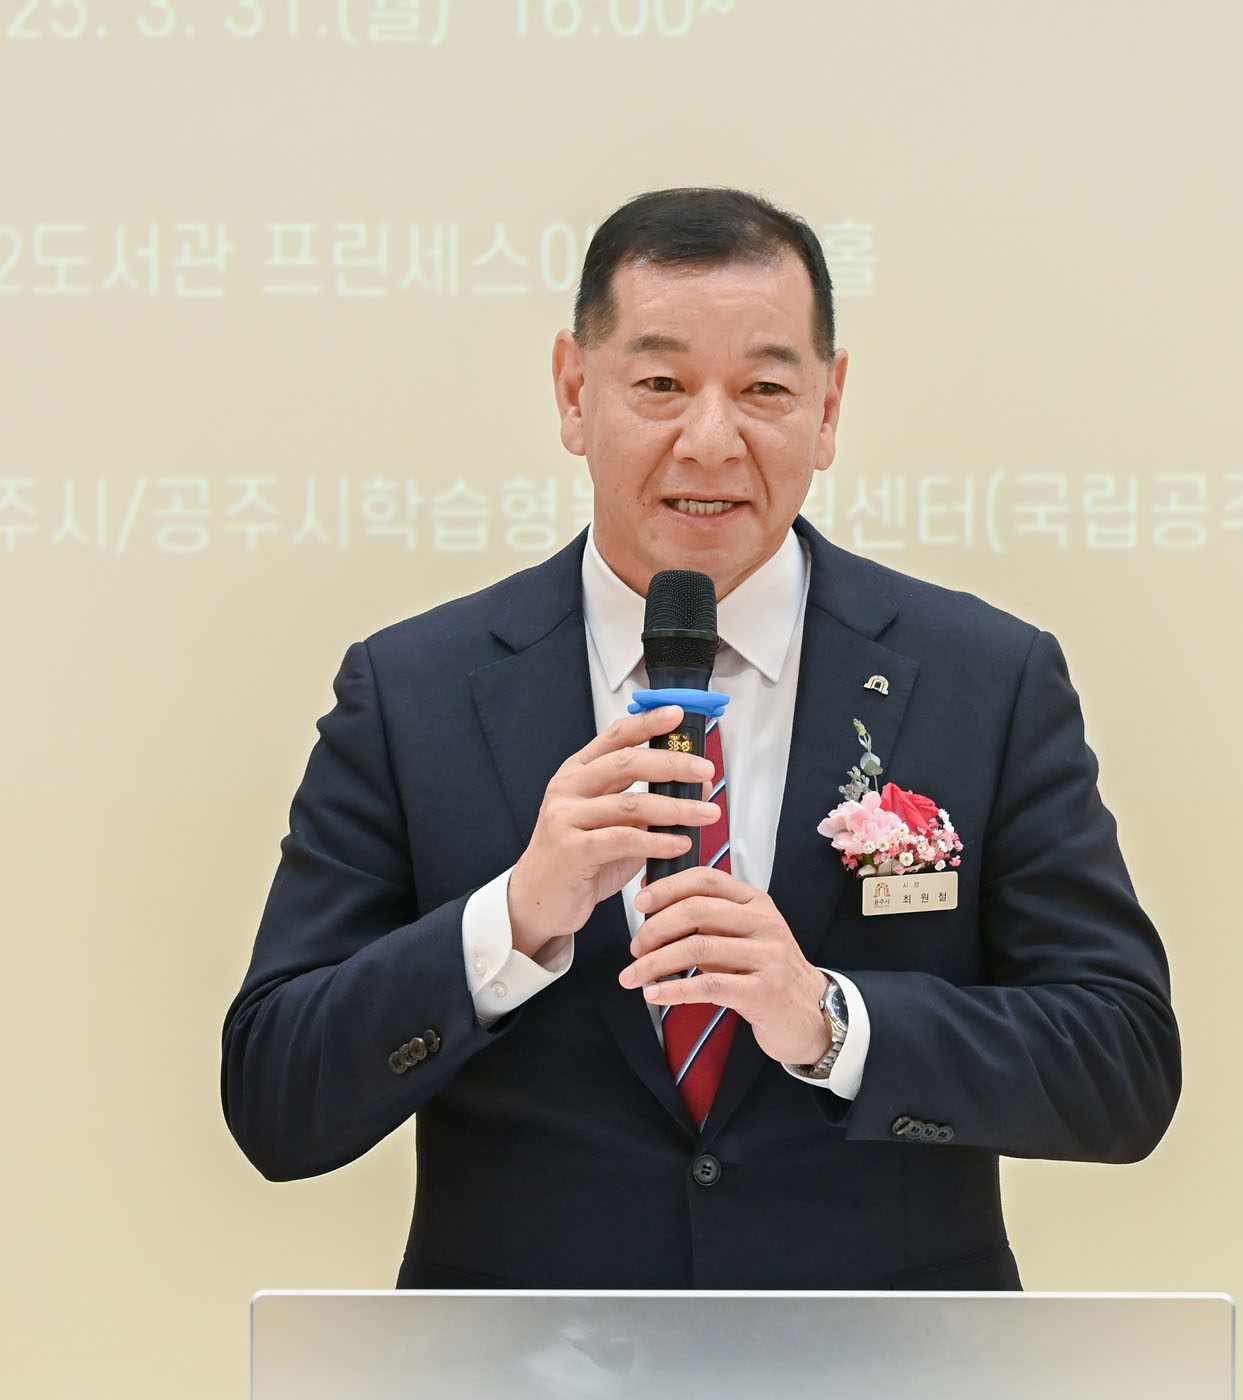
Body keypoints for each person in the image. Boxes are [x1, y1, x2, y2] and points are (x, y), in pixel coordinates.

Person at [221, 187, 1179, 1290]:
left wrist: (831, 1022)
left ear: (829, 407)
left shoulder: (985, 679)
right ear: (575, 393)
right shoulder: (414, 693)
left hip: (884, 1355)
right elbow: (277, 1099)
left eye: (766, 389)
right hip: (531, 1359)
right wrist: (511, 919)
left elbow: (1121, 1065)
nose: (711, 440)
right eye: (661, 385)